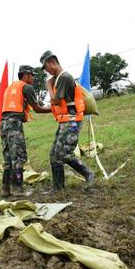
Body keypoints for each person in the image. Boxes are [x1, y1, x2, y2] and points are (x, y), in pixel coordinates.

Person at [40, 50, 95, 193]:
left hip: (71, 121)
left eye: (46, 67)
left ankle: (88, 173)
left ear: (52, 62)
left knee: (64, 153)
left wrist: (48, 86)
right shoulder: (58, 78)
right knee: (54, 154)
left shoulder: (64, 77)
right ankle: (58, 188)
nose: (46, 71)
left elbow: (56, 100)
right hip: (65, 121)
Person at [0, 65, 52, 196]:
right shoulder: (26, 87)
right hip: (14, 125)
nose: (33, 78)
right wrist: (55, 109)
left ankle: (5, 189)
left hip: (3, 124)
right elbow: (38, 109)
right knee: (17, 156)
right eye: (32, 75)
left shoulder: (10, 88)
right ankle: (18, 189)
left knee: (7, 158)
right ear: (25, 75)